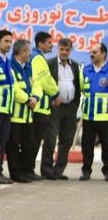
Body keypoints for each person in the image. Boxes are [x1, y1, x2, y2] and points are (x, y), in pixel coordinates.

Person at [42, 38, 81, 180]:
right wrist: (52, 99)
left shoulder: (75, 66)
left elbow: (77, 86)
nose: (64, 52)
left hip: (70, 107)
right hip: (55, 107)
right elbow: (45, 83)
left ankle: (58, 170)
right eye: (61, 49)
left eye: (67, 50)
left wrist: (75, 104)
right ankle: (47, 170)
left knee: (67, 140)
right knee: (51, 138)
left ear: (71, 50)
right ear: (57, 49)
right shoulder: (50, 64)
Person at [7, 39, 41, 183]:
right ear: (22, 52)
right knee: (13, 147)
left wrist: (36, 97)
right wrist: (28, 99)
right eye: (28, 51)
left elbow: (37, 84)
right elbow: (14, 88)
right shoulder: (10, 66)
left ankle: (26, 170)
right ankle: (16, 173)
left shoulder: (28, 66)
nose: (30, 54)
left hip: (28, 116)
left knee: (30, 145)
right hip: (15, 117)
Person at [29, 31, 59, 180]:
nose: (51, 45)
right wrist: (55, 93)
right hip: (39, 107)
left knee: (34, 140)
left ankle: (29, 169)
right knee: (34, 141)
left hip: (39, 106)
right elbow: (45, 80)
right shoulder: (38, 58)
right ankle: (28, 169)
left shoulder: (36, 57)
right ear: (40, 44)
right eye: (49, 42)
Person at [79, 42, 108, 181]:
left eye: (95, 52)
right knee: (87, 145)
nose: (92, 54)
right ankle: (86, 171)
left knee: (107, 145)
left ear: (103, 54)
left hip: (105, 117)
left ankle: (107, 171)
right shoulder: (85, 70)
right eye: (91, 52)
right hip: (88, 115)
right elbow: (81, 89)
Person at [0, 29, 15, 184]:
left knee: (3, 142)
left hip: (7, 109)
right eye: (6, 41)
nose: (9, 44)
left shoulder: (7, 61)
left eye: (10, 41)